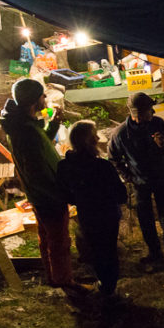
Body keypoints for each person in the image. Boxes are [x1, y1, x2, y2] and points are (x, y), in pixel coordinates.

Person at [0, 79, 87, 294]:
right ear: (33, 101)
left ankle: (54, 277)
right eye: (42, 96)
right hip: (48, 195)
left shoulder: (22, 124)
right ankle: (65, 282)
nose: (45, 99)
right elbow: (36, 171)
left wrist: (54, 124)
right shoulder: (25, 131)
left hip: (40, 194)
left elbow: (42, 142)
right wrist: (62, 194)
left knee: (47, 237)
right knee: (59, 241)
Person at [109, 92, 164, 271]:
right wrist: (129, 177)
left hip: (161, 177)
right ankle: (155, 253)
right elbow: (114, 159)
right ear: (136, 114)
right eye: (149, 110)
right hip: (140, 182)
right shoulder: (120, 134)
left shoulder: (158, 124)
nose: (152, 113)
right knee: (145, 218)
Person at [57, 120, 127, 297]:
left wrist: (80, 199)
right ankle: (109, 290)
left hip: (87, 215)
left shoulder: (65, 166)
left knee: (96, 250)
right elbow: (121, 194)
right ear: (89, 141)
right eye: (94, 135)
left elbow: (65, 194)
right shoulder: (102, 166)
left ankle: (104, 284)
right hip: (108, 215)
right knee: (109, 252)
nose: (98, 137)